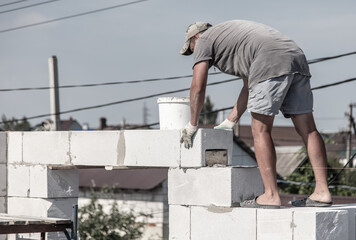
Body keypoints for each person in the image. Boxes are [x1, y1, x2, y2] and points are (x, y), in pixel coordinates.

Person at [179, 20, 332, 208]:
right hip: (295, 56)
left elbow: (198, 87)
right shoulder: (232, 37)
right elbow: (248, 86)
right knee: (308, 129)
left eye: (191, 48)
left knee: (260, 129)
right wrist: (230, 121)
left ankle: (271, 195)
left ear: (196, 37)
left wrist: (192, 123)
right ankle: (322, 192)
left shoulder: (205, 40)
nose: (194, 53)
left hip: (270, 61)